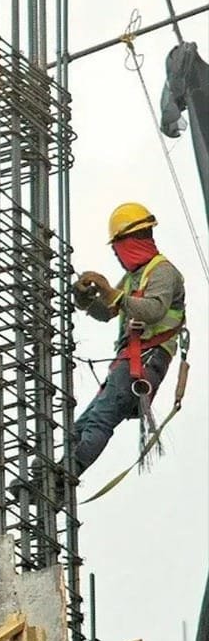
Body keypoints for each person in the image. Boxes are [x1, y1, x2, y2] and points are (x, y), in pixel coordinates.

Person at [68, 202, 186, 478]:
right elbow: (108, 312)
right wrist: (85, 299)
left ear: (131, 241)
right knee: (80, 427)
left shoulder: (162, 271)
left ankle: (66, 474)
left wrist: (111, 291)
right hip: (130, 362)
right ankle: (48, 478)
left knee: (99, 420)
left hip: (145, 360)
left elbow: (154, 310)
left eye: (118, 245)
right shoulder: (134, 277)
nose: (117, 253)